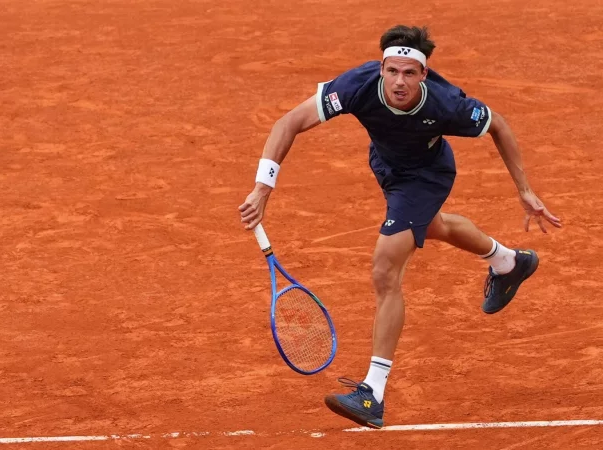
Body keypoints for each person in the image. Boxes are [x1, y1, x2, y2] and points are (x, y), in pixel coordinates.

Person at [237, 24, 562, 429]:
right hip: (387, 166)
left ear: (423, 74)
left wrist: (525, 191)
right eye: (392, 71)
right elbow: (289, 123)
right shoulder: (357, 85)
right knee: (435, 225)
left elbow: (499, 126)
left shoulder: (446, 104)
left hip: (426, 176)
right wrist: (261, 190)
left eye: (410, 73)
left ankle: (372, 394)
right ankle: (508, 262)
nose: (399, 81)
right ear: (381, 68)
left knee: (385, 268)